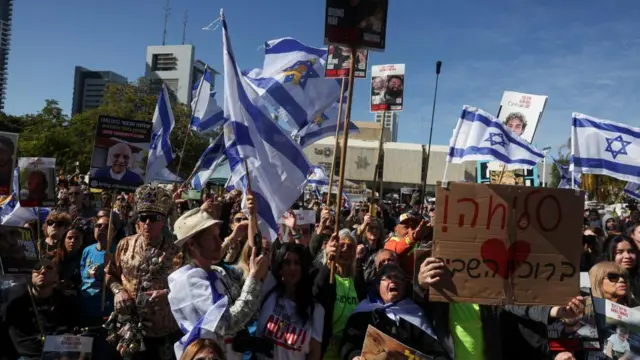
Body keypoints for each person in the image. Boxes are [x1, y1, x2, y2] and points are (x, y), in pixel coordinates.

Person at [169, 197, 270, 360]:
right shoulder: (189, 282)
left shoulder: (215, 272)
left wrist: (252, 215)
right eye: (211, 238)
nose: (220, 242)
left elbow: (253, 254)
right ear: (192, 245)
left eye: (218, 236)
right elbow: (228, 324)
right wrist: (253, 279)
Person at [105, 184, 181, 359]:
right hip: (129, 329)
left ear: (163, 220)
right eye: (143, 217)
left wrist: (167, 293)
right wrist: (118, 291)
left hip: (164, 330)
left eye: (153, 218)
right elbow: (110, 274)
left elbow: (190, 287)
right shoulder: (125, 245)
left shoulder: (177, 250)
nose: (147, 223)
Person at [341, 263, 449, 360]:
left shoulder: (415, 313)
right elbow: (349, 344)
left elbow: (435, 351)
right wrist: (354, 356)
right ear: (378, 286)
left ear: (404, 285)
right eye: (387, 277)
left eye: (398, 277)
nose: (393, 281)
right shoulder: (363, 312)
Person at [256, 243, 324, 360]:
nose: (292, 267)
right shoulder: (269, 289)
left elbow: (314, 352)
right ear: (280, 268)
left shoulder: (316, 310)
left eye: (297, 263)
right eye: (287, 263)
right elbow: (256, 257)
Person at [5, 257, 79, 359]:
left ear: (56, 277)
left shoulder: (64, 301)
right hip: (27, 354)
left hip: (56, 352)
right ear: (32, 275)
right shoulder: (16, 298)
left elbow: (76, 337)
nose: (42, 271)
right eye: (38, 267)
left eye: (48, 268)